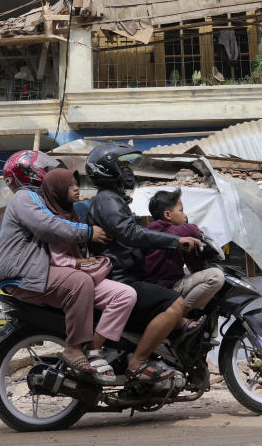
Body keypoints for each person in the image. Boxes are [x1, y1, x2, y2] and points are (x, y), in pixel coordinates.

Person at [0, 150, 116, 383]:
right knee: (79, 283)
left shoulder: (39, 198)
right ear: (32, 172)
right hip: (21, 270)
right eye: (45, 167)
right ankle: (74, 349)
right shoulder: (25, 197)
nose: (49, 171)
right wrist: (87, 233)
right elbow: (46, 226)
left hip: (32, 269)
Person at [86, 144, 203, 383]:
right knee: (175, 304)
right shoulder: (108, 199)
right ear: (107, 169)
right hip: (119, 279)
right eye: (122, 165)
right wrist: (176, 240)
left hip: (127, 276)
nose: (127, 170)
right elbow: (130, 234)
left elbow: (133, 234)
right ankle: (138, 363)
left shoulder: (115, 199)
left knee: (169, 303)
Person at [40, 167, 137, 382]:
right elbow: (56, 258)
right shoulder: (52, 220)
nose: (77, 189)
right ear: (57, 190)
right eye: (71, 186)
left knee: (126, 295)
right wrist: (80, 262)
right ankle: (82, 350)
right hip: (68, 278)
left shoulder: (73, 213)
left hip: (84, 275)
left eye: (77, 184)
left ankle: (94, 349)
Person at [144, 189, 224, 329]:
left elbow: (194, 265)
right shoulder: (156, 230)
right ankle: (173, 317)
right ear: (167, 215)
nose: (185, 215)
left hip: (170, 285)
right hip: (164, 287)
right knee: (216, 277)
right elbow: (186, 230)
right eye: (181, 211)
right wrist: (194, 230)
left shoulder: (176, 237)